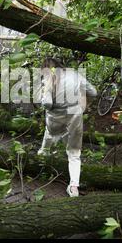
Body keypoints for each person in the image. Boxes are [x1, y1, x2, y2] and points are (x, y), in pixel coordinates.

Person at [38, 58, 97, 197]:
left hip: (55, 119)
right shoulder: (74, 74)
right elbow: (93, 92)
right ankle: (74, 188)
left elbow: (47, 104)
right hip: (74, 116)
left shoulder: (47, 79)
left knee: (50, 132)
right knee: (74, 153)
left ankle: (42, 156)